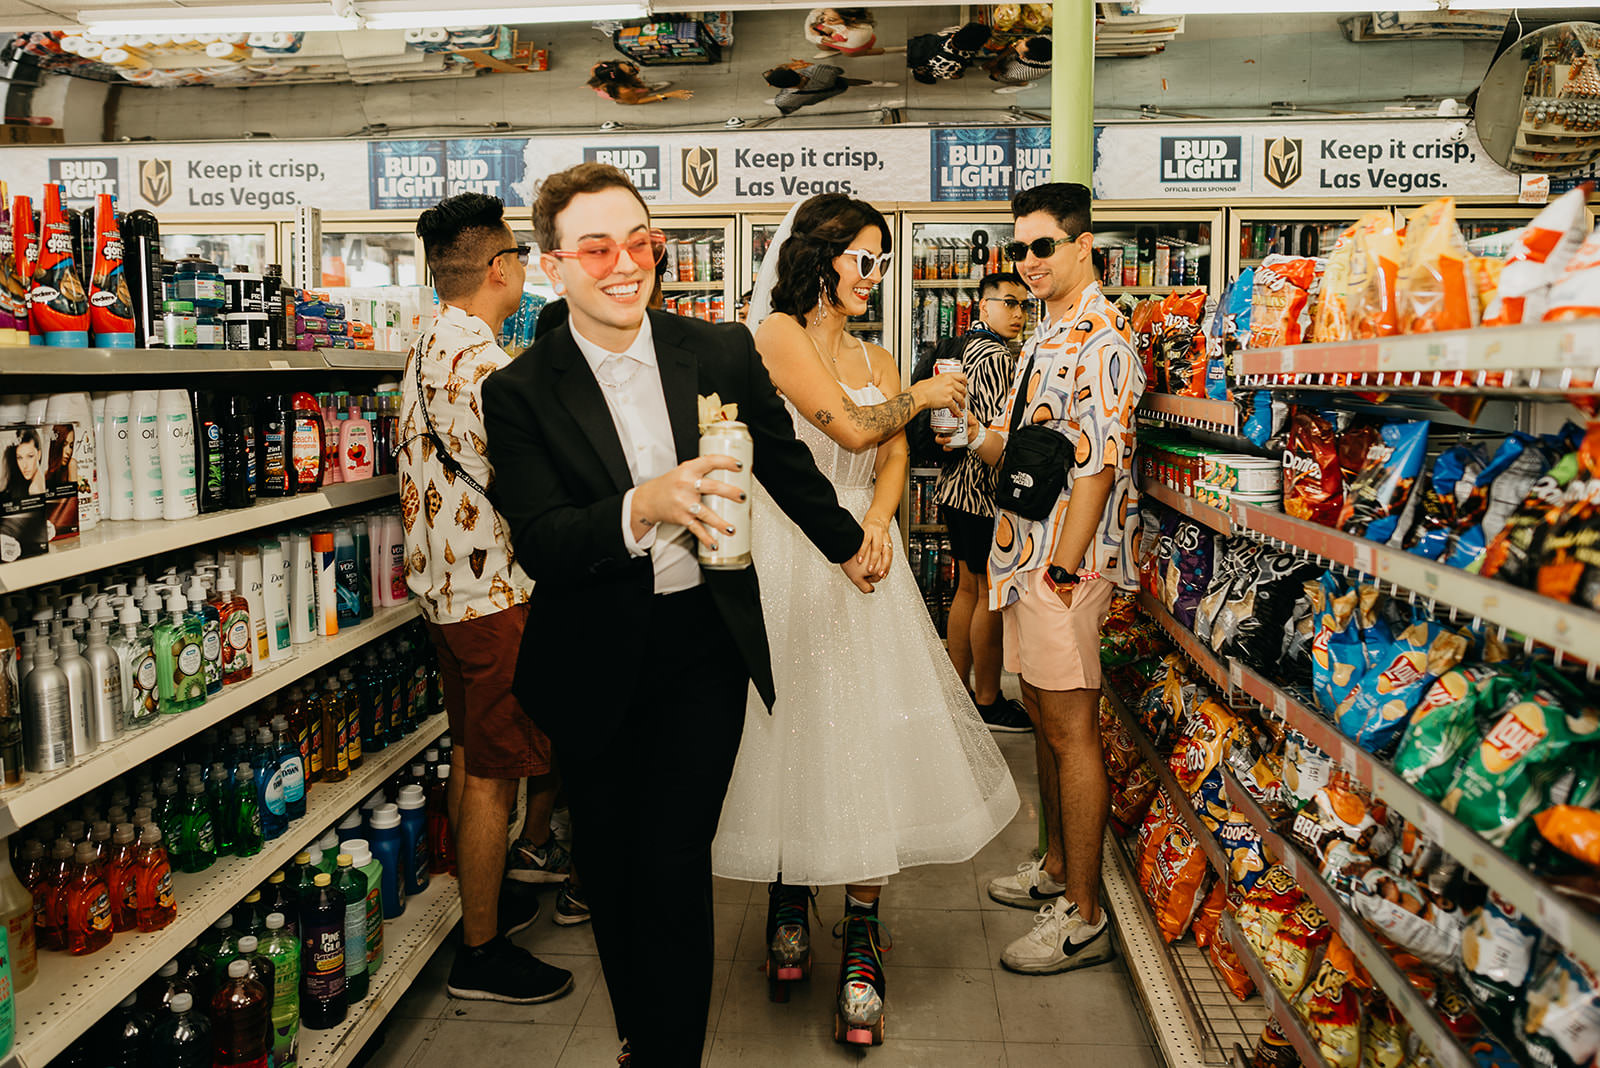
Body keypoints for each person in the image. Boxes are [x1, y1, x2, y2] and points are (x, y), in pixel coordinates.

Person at [481, 162, 878, 1066]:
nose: (627, 264)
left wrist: (851, 545)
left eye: (641, 242)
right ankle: (639, 1033)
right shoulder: (518, 392)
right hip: (592, 657)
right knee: (613, 874)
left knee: (670, 865)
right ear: (556, 266)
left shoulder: (719, 351)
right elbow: (542, 539)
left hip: (702, 646)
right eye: (598, 247)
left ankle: (667, 1054)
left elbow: (783, 463)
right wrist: (643, 505)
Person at [714, 194, 1020, 1047]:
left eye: (883, 260)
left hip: (863, 561)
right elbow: (850, 429)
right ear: (822, 256)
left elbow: (891, 457)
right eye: (867, 258)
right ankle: (786, 891)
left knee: (865, 738)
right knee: (789, 729)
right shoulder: (773, 336)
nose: (877, 274)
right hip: (791, 552)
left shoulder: (878, 354)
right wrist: (920, 395)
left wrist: (880, 524)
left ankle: (858, 931)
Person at [957, 182, 1145, 975]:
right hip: (1022, 555)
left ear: (1082, 244)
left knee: (1071, 732)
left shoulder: (1103, 337)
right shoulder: (1046, 333)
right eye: (1019, 249)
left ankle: (1086, 916)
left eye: (1042, 247)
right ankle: (1058, 871)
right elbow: (1026, 447)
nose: (1028, 262)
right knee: (1041, 712)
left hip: (1065, 565)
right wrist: (967, 429)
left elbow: (1101, 467)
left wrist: (1064, 569)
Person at [399, 192, 575, 1005]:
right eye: (522, 259)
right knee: (493, 776)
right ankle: (479, 951)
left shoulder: (428, 343)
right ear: (501, 268)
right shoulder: (488, 365)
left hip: (443, 593)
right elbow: (536, 480)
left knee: (472, 754)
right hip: (494, 595)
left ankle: (483, 895)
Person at [934, 272, 1032, 733]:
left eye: (1024, 306)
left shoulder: (965, 348)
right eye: (1009, 303)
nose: (1019, 314)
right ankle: (988, 699)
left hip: (956, 488)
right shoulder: (994, 356)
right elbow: (992, 430)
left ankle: (958, 692)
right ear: (983, 305)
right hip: (982, 491)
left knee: (967, 590)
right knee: (988, 597)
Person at [764, 59, 896, 116]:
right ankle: (877, 83)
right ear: (796, 72)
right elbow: (839, 70)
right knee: (849, 81)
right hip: (836, 85)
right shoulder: (816, 69)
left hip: (813, 98)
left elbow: (788, 109)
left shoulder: (784, 100)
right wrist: (807, 67)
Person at [906, 22, 992, 85]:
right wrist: (954, 75)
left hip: (917, 47)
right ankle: (919, 72)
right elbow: (942, 73)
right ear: (973, 48)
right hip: (927, 62)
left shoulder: (954, 30)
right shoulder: (952, 63)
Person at [803, 7, 900, 58]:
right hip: (837, 41)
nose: (823, 21)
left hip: (854, 47)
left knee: (860, 53)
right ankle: (833, 51)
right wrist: (819, 38)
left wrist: (821, 39)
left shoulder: (861, 31)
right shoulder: (826, 11)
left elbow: (851, 46)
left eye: (832, 20)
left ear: (850, 19)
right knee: (821, 46)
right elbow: (811, 17)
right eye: (824, 14)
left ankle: (901, 49)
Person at [587, 59, 692, 105]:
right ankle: (622, 101)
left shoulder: (599, 68)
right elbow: (636, 101)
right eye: (632, 71)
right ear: (623, 80)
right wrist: (669, 94)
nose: (637, 68)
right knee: (643, 93)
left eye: (629, 65)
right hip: (624, 95)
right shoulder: (624, 90)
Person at [986, 35, 1052, 94]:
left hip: (1021, 70)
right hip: (1029, 59)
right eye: (1025, 40)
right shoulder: (1045, 40)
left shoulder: (1013, 73)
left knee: (996, 75)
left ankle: (1023, 84)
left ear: (1022, 56)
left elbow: (995, 73)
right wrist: (997, 59)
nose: (1020, 40)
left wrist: (993, 64)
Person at [1, 429, 44, 501]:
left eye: (30, 456)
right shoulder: (14, 486)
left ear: (39, 455)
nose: (25, 466)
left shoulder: (36, 488)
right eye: (19, 458)